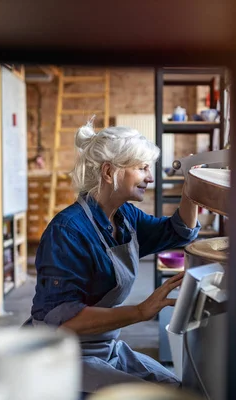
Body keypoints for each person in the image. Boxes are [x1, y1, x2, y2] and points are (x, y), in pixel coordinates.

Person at [28, 120, 200, 393]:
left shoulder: (125, 217)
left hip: (105, 346)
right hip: (62, 353)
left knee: (177, 389)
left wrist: (193, 186)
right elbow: (62, 322)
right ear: (109, 172)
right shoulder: (68, 231)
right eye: (142, 168)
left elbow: (178, 232)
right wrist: (140, 312)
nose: (150, 177)